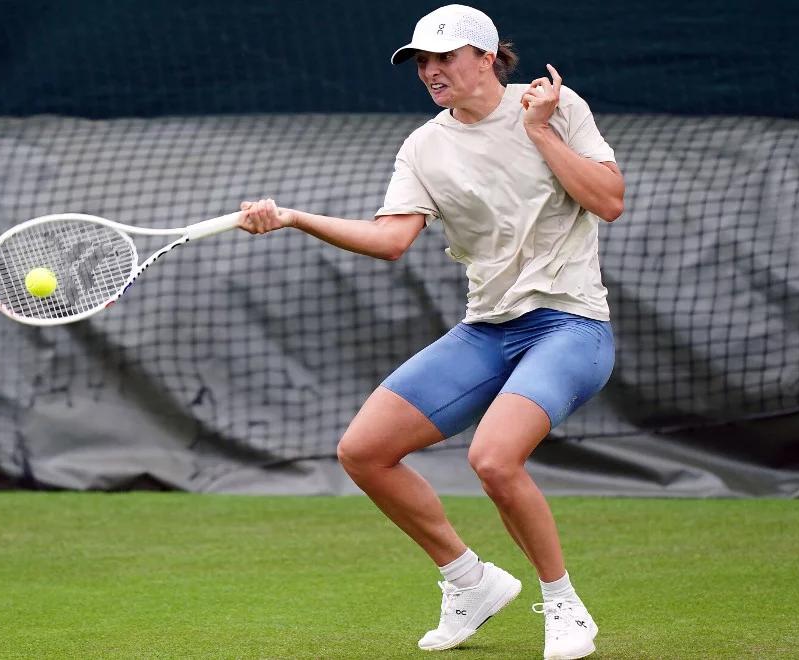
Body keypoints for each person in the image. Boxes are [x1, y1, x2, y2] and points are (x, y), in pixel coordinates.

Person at [238, 5, 624, 659]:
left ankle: (564, 607)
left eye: (443, 57)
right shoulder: (423, 147)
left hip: (570, 324)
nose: (429, 71)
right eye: (421, 60)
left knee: (494, 460)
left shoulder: (554, 107)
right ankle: (468, 581)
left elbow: (609, 201)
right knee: (364, 451)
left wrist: (541, 132)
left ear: (485, 57)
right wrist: (294, 217)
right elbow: (391, 240)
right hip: (488, 329)